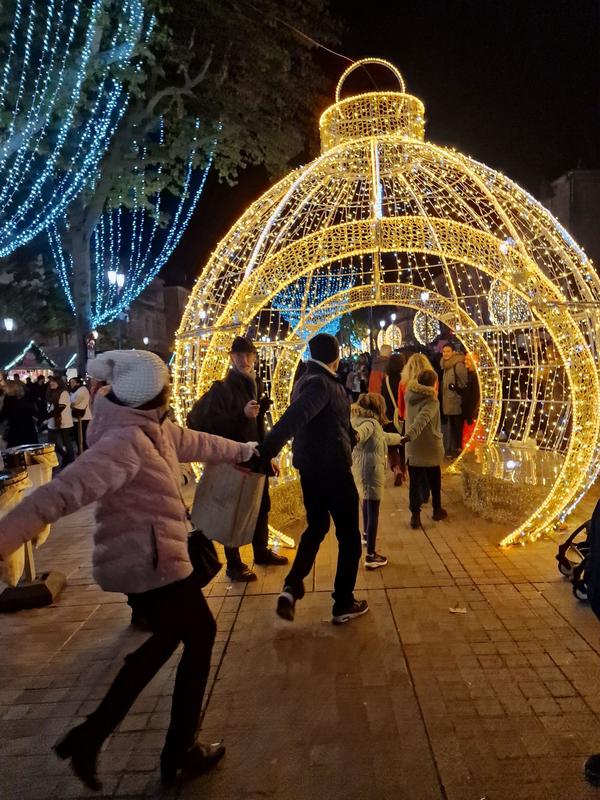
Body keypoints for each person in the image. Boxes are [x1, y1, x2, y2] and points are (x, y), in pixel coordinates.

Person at [0, 350, 258, 791]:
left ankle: (96, 736)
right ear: (151, 393)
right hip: (148, 563)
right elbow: (58, 494)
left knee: (172, 639)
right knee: (199, 633)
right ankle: (172, 751)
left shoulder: (151, 428)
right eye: (168, 385)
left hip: (154, 560)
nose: (173, 390)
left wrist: (247, 451)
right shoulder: (127, 442)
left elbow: (200, 442)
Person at [254, 333, 367, 625]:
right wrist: (267, 450)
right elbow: (296, 417)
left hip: (312, 470)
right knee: (350, 538)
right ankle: (343, 602)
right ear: (336, 356)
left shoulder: (307, 378)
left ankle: (291, 588)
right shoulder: (320, 383)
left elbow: (322, 424)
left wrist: (348, 436)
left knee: (317, 527)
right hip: (332, 471)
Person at [187, 336, 288, 581]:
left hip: (256, 457)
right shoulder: (221, 388)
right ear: (231, 357)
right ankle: (234, 564)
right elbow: (198, 421)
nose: (244, 360)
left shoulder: (255, 384)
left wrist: (268, 454)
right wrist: (240, 415)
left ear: (254, 356)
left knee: (261, 506)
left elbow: (258, 426)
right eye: (239, 355)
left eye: (248, 354)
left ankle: (261, 552)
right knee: (234, 510)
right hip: (233, 460)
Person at [351, 393, 402, 569]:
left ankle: (365, 535)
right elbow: (363, 433)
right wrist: (356, 436)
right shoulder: (370, 423)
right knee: (373, 510)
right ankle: (371, 556)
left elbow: (384, 438)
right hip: (371, 471)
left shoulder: (358, 418)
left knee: (366, 503)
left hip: (361, 470)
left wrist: (401, 439)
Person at [401, 369, 448, 529]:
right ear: (434, 383)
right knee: (434, 480)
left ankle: (415, 515)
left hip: (413, 447)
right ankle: (436, 509)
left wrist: (408, 437)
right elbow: (423, 418)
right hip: (429, 446)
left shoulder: (410, 395)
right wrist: (410, 435)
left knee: (414, 483)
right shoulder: (432, 400)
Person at [381, 352, 406, 485]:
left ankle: (396, 469)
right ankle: (404, 470)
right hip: (403, 416)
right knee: (403, 444)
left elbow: (383, 399)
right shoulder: (405, 380)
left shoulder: (385, 380)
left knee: (392, 445)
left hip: (390, 417)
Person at [440, 343, 468, 458]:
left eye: (448, 351)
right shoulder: (445, 365)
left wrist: (456, 388)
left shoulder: (458, 365)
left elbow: (464, 383)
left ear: (453, 352)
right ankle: (454, 449)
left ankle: (459, 450)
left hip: (456, 402)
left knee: (458, 428)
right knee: (452, 427)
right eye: (444, 351)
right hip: (448, 402)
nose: (445, 354)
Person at [45, 375, 75, 467]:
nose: (51, 383)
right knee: (52, 443)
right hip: (52, 422)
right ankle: (65, 457)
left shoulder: (64, 393)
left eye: (54, 381)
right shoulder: (50, 392)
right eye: (50, 381)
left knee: (66, 442)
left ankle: (71, 461)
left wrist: (46, 417)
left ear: (59, 382)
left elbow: (61, 408)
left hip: (63, 421)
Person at [0, 379, 38, 447]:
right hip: (29, 432)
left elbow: (2, 416)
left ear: (11, 388)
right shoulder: (24, 399)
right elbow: (34, 412)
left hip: (16, 434)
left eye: (5, 386)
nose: (3, 388)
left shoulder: (9, 401)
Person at [398, 352, 435, 421]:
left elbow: (401, 403)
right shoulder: (432, 379)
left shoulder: (404, 382)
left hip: (410, 416)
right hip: (428, 415)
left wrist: (402, 415)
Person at [461, 352, 481, 448]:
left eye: (468, 360)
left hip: (472, 415)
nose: (465, 362)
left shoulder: (475, 377)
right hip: (470, 414)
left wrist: (471, 415)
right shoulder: (472, 375)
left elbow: (475, 397)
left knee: (471, 441)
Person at [68, 376, 92, 454]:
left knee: (83, 436)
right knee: (77, 436)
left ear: (78, 383)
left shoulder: (82, 390)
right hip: (76, 416)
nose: (71, 384)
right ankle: (81, 450)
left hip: (83, 417)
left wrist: (71, 404)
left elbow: (74, 402)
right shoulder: (73, 391)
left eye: (73, 382)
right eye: (70, 382)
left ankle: (85, 451)